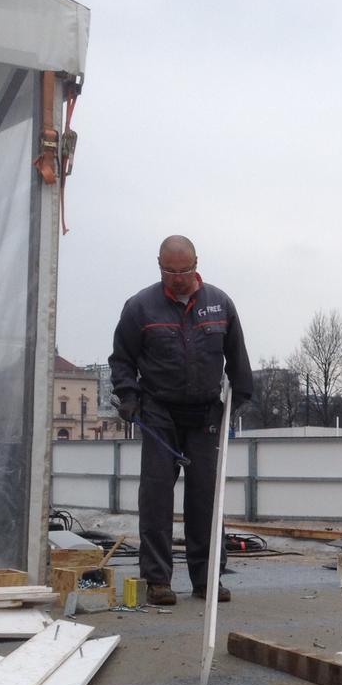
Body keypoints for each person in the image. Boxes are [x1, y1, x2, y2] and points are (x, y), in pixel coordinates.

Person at [110, 235, 252, 605]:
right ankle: (158, 580)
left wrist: (240, 395)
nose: (177, 279)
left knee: (206, 499)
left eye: (184, 271)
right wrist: (128, 395)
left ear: (196, 264)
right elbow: (122, 358)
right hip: (159, 412)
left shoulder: (220, 304)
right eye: (169, 271)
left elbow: (237, 356)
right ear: (159, 265)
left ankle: (207, 579)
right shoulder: (140, 308)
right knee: (156, 497)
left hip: (205, 413)